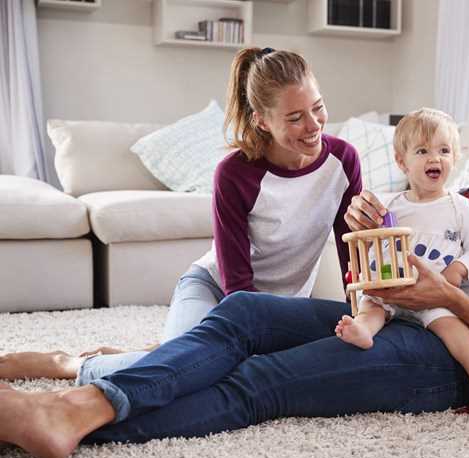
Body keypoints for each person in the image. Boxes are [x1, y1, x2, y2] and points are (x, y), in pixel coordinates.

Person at [0, 81, 469, 458]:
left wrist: (449, 298)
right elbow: (420, 234)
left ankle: (71, 412)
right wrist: (366, 228)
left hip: (450, 355)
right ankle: (76, 395)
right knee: (240, 313)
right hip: (393, 313)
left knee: (262, 380)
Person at [0, 46, 361, 384]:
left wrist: (363, 312)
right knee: (198, 366)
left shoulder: (342, 160)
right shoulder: (235, 173)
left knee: (219, 362)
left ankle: (160, 350)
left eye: (318, 107)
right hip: (217, 290)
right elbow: (237, 288)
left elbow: (353, 250)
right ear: (262, 121)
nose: (314, 125)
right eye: (295, 117)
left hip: (282, 307)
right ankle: (68, 364)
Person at [334, 108, 469, 413]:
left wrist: (458, 269)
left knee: (453, 327)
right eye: (422, 151)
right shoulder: (392, 207)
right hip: (395, 288)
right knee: (371, 306)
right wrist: (372, 272)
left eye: (444, 150)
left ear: (455, 157)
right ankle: (364, 332)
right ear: (401, 162)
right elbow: (378, 246)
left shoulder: (459, 206)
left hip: (433, 292)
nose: (434, 158)